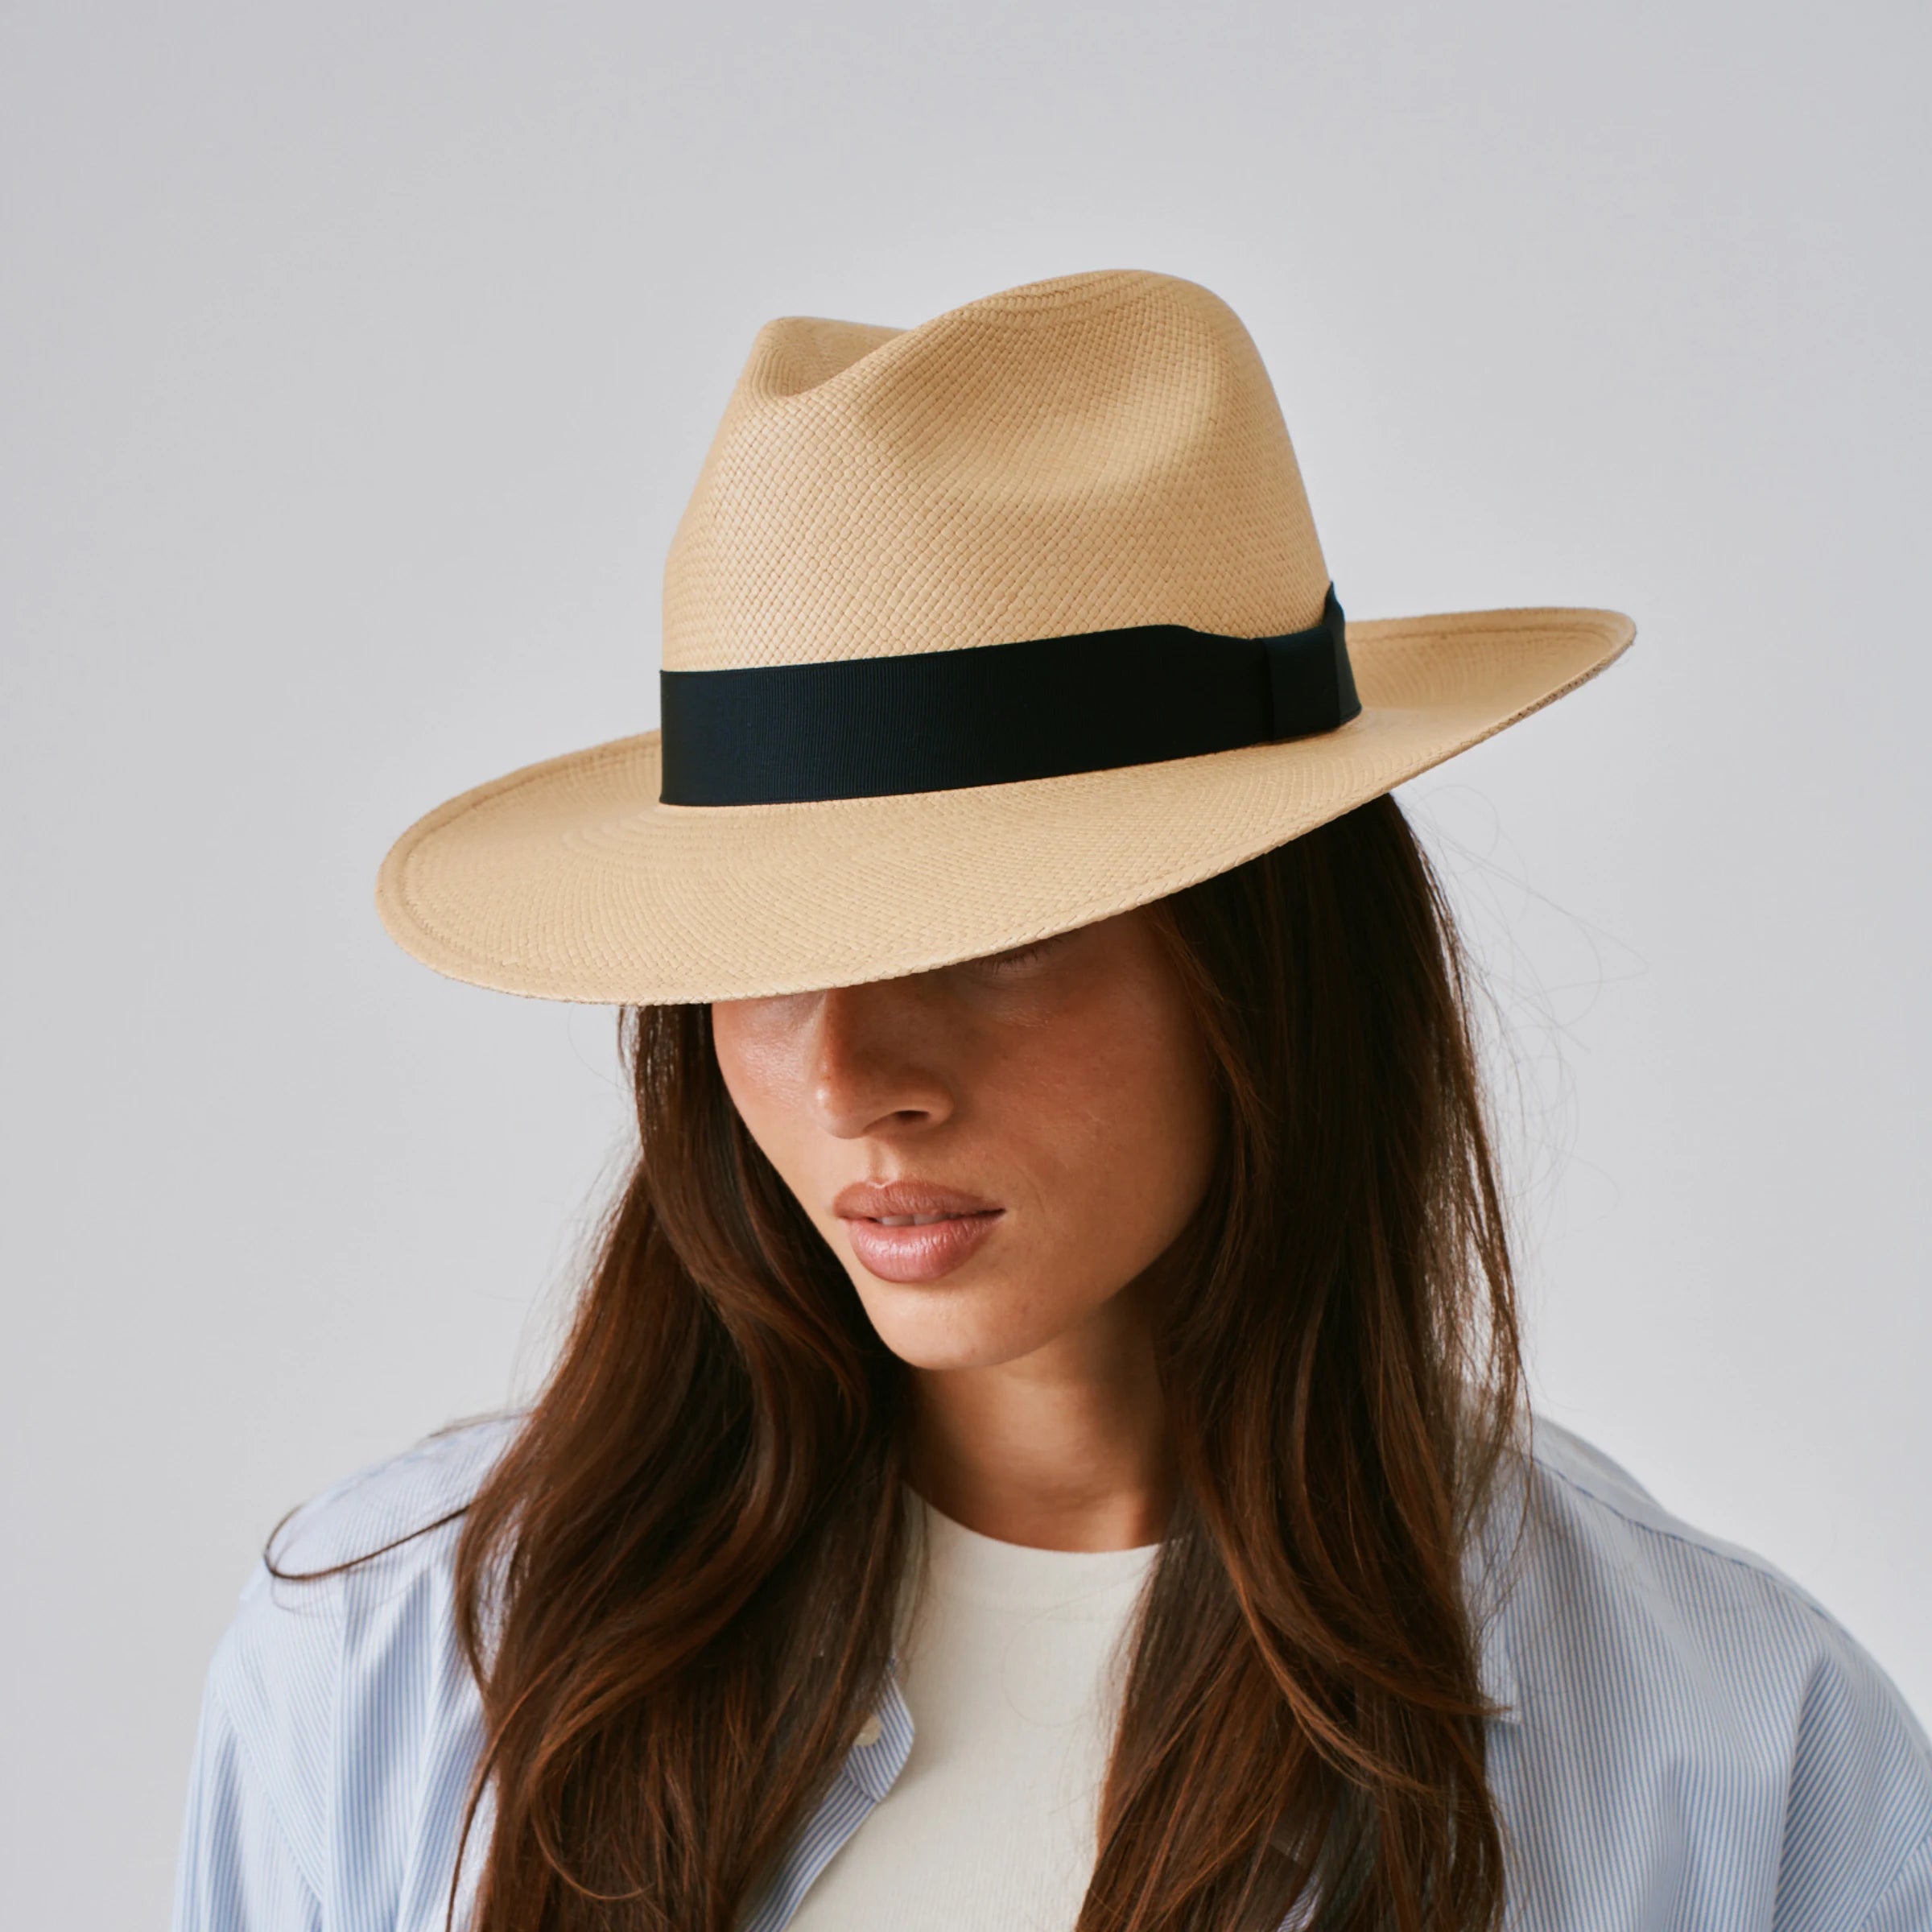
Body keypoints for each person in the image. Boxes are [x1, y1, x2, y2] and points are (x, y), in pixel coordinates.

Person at [172, 268, 1932, 1932]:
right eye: (767, 955)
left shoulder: (1738, 1748)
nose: (854, 1077)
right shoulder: (392, 1651)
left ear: (1270, 960)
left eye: (988, 939)